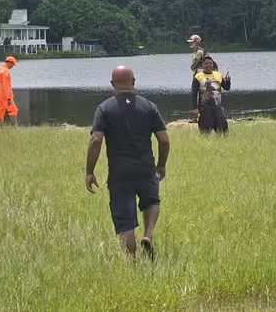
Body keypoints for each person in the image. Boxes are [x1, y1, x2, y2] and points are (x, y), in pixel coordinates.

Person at [86, 66, 171, 260]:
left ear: (112, 84)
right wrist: (161, 165)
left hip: (119, 173)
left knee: (125, 221)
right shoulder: (149, 107)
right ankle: (148, 235)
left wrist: (89, 171)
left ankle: (131, 263)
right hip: (146, 169)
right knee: (151, 201)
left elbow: (96, 140)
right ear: (133, 82)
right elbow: (164, 140)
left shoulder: (104, 108)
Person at [191, 56, 231, 134]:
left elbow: (226, 88)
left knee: (223, 131)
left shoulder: (218, 75)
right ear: (202, 65)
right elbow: (193, 93)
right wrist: (195, 108)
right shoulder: (198, 77)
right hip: (204, 108)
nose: (208, 65)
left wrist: (228, 81)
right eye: (206, 63)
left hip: (217, 108)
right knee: (205, 132)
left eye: (210, 63)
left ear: (213, 65)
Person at [0, 56, 18, 126]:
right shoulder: (6, 72)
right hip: (5, 95)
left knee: (0, 112)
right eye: (12, 64)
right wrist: (9, 98)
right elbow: (7, 86)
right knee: (13, 110)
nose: (13, 66)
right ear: (9, 62)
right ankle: (15, 128)